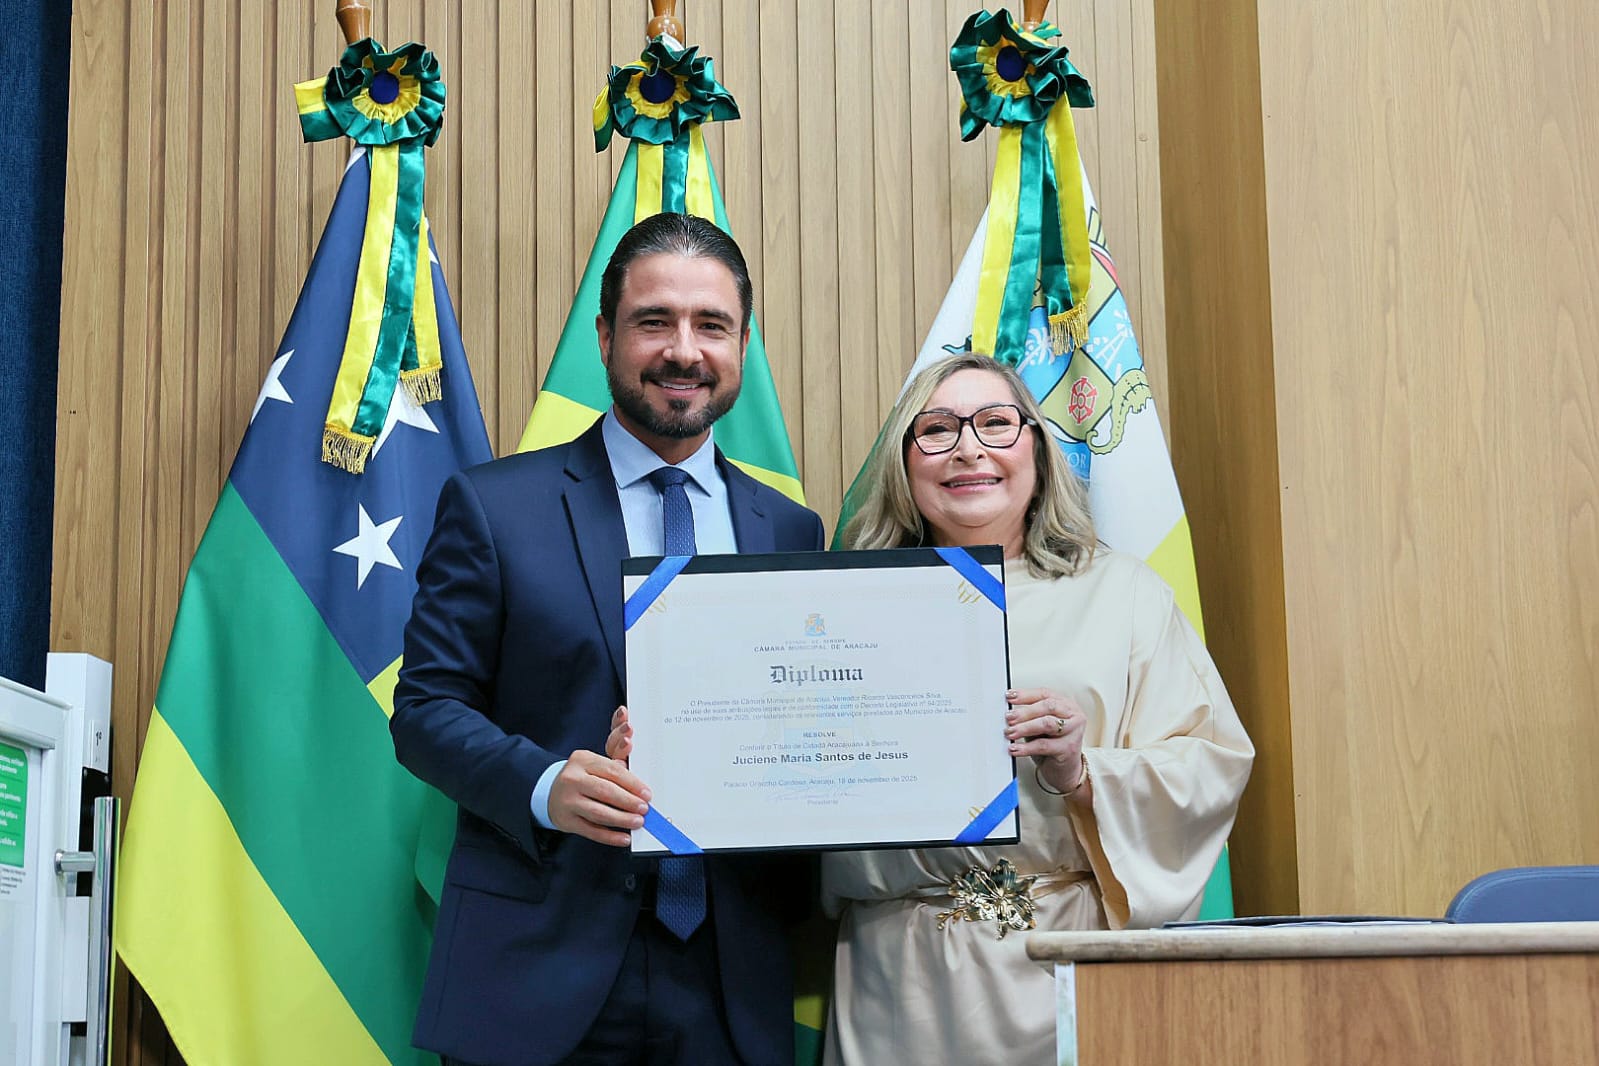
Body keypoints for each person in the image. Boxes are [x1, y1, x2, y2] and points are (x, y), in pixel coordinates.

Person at [391, 212, 826, 1066]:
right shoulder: (495, 506)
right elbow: (425, 708)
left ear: (743, 344)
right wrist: (545, 782)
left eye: (712, 325)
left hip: (731, 977)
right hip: (535, 970)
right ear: (605, 335)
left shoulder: (792, 530)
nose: (683, 350)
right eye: (653, 320)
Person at [820, 352, 1254, 1066]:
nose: (968, 448)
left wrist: (1080, 773)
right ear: (903, 463)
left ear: (1038, 451)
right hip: (900, 978)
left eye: (995, 423)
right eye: (936, 429)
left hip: (1066, 964)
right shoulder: (840, 602)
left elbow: (1210, 766)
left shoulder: (1124, 594)